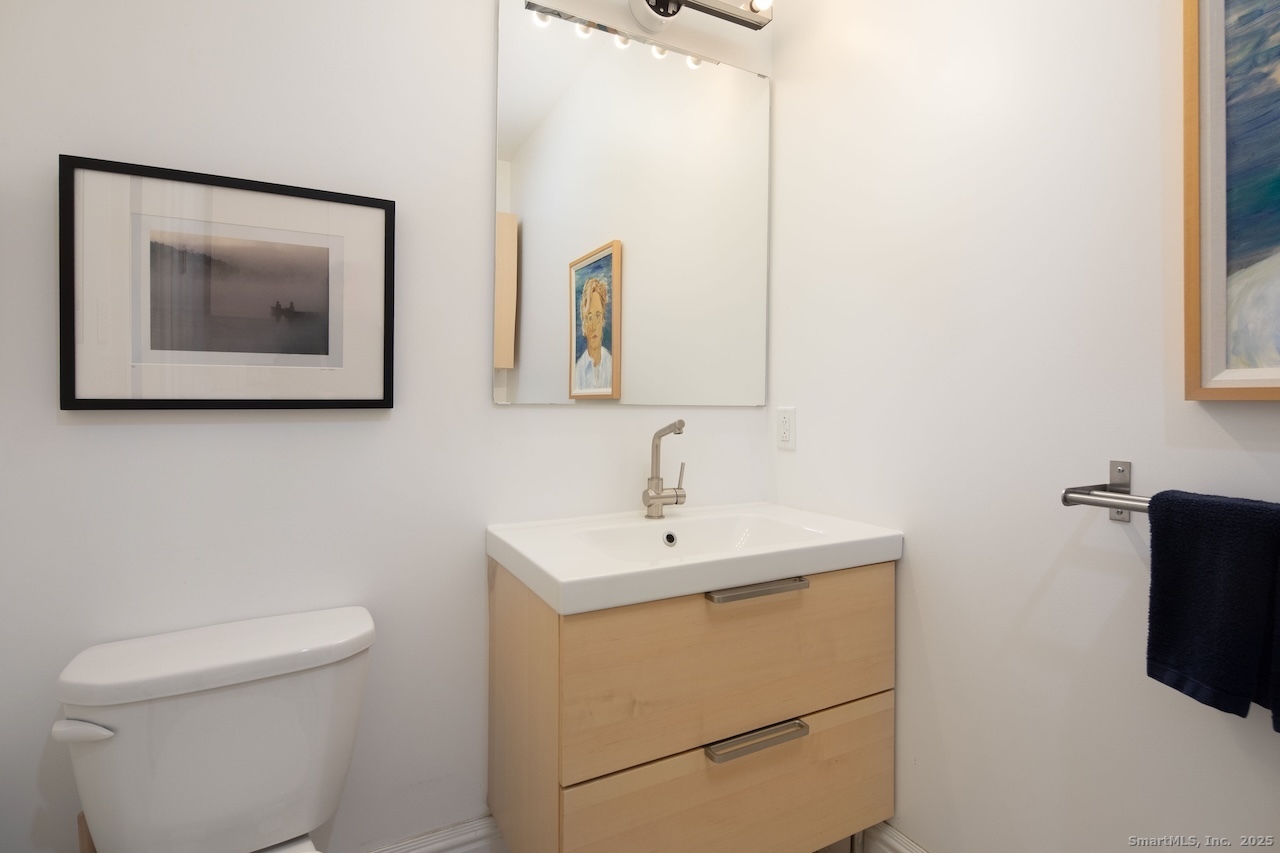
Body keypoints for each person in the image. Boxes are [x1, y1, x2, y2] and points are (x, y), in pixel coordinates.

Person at [574, 277, 612, 392]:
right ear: (584, 324)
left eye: (598, 316)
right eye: (590, 318)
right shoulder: (578, 370)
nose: (594, 326)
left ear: (603, 320)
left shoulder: (611, 364)